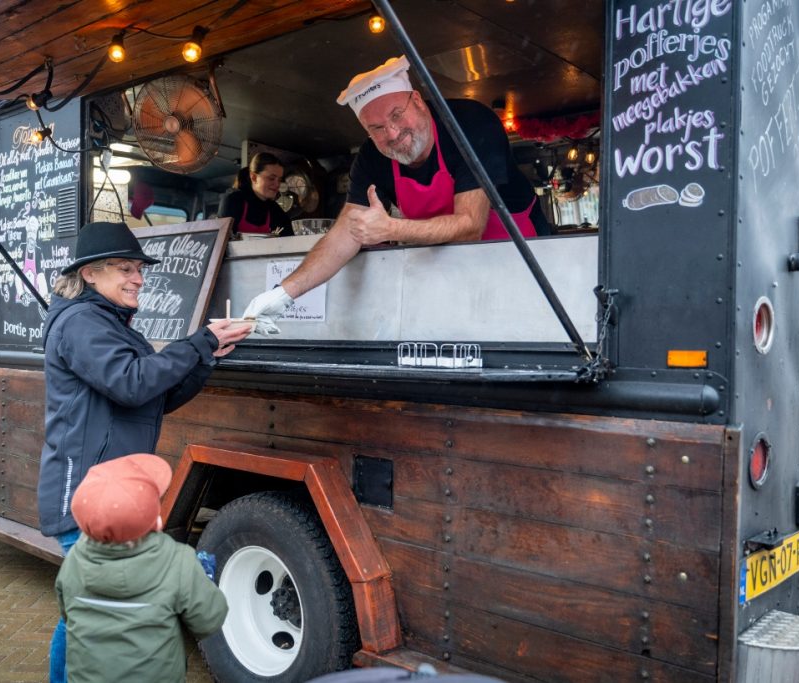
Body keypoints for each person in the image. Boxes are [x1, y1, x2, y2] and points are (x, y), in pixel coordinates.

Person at [38, 221, 249, 682]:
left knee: (88, 609)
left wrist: (206, 358)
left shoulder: (105, 322)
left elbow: (155, 396)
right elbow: (132, 383)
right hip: (89, 494)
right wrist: (200, 342)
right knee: (92, 611)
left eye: (139, 269)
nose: (139, 278)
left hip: (112, 492)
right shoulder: (81, 323)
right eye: (125, 269)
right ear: (90, 273)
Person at [243, 56, 550, 334]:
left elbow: (471, 226)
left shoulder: (469, 124)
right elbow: (346, 234)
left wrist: (391, 228)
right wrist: (283, 293)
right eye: (376, 128)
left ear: (417, 101)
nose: (391, 134)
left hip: (519, 255)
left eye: (397, 115)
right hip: (448, 268)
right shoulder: (372, 157)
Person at [56, 453, 228, 683]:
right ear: (157, 522)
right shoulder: (178, 562)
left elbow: (68, 613)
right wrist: (201, 582)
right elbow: (209, 620)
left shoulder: (74, 561)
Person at [217, 152, 294, 238]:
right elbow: (221, 241)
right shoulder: (233, 201)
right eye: (271, 178)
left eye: (279, 180)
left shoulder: (274, 209)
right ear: (254, 177)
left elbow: (290, 238)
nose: (277, 184)